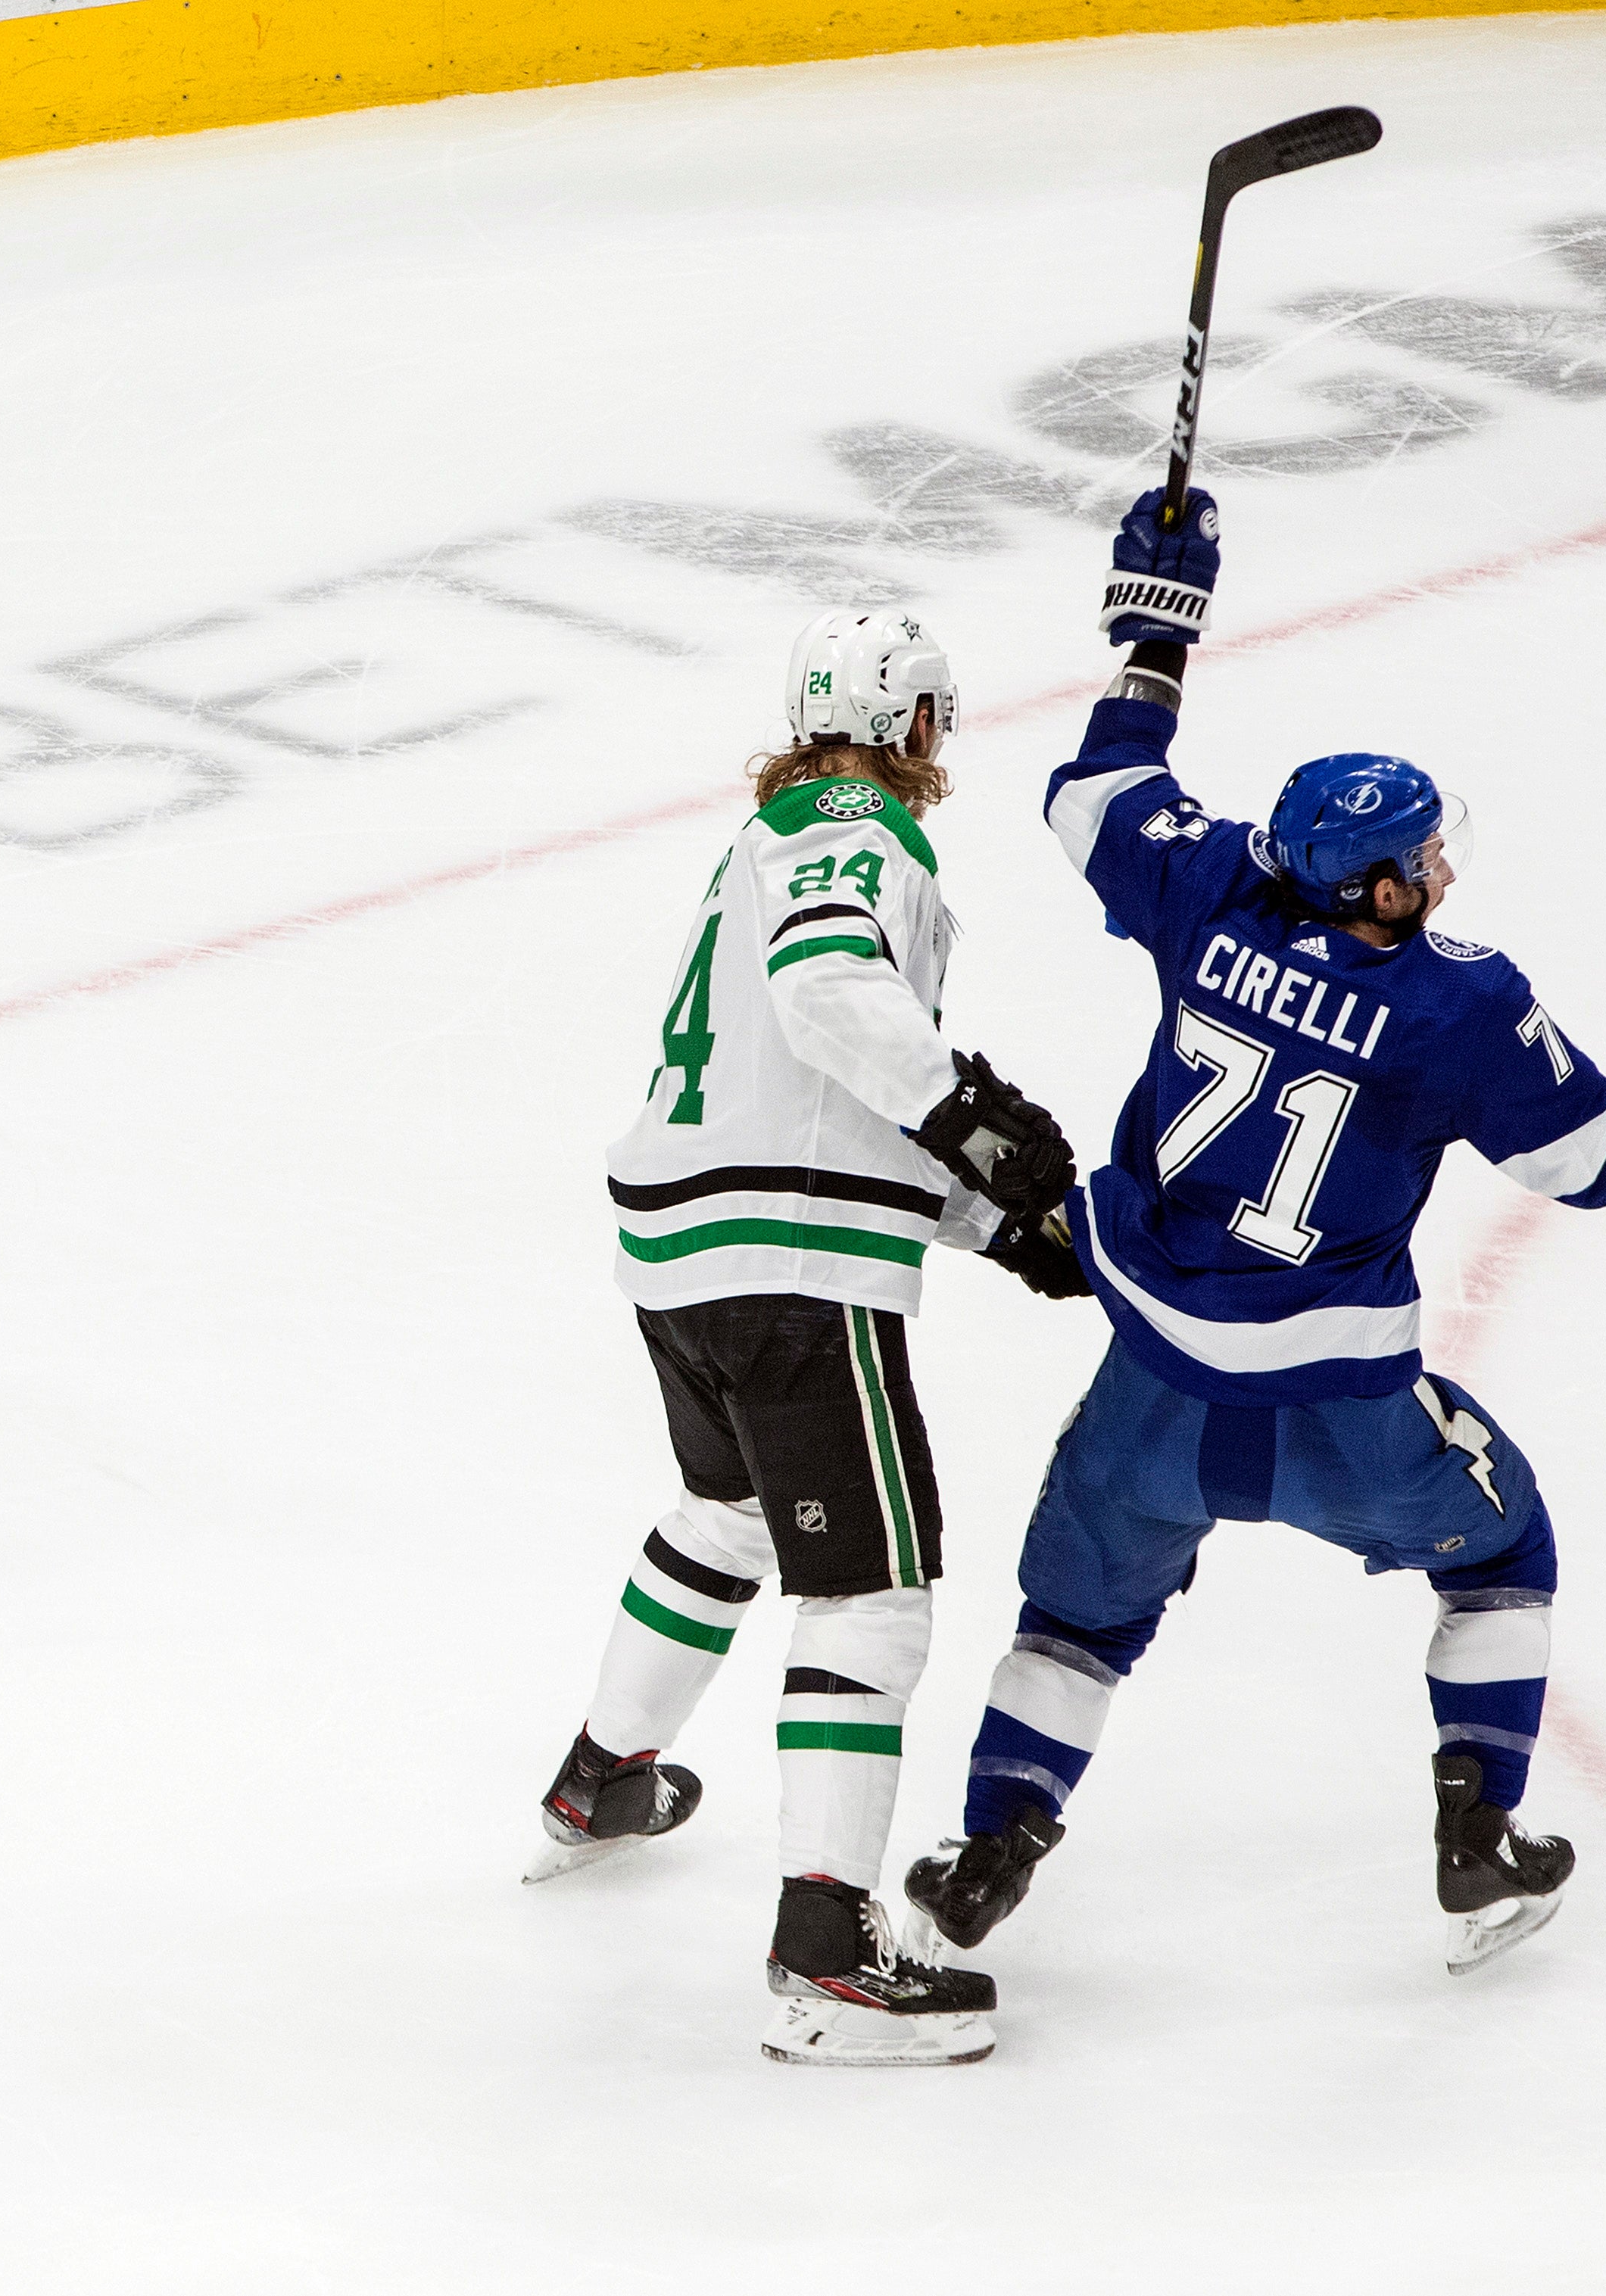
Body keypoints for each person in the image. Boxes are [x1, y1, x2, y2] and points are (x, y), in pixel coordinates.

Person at [906, 489, 1606, 1977]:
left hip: (1154, 1379)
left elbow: (1093, 793)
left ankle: (987, 1847)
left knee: (1075, 1619)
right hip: (1343, 1409)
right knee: (1504, 1552)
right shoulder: (1454, 1001)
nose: (1437, 875)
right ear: (1372, 884)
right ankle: (1477, 1838)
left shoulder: (1214, 880)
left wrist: (1153, 636)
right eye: (1420, 858)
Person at [533, 609, 1087, 2067]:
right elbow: (833, 1001)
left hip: (679, 1253)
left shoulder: (767, 831)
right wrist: (970, 1120)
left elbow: (816, 1095)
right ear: (907, 722)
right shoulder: (857, 823)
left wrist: (991, 1224)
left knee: (726, 1509)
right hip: (785, 1272)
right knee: (872, 1592)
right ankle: (826, 1953)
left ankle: (601, 1775)